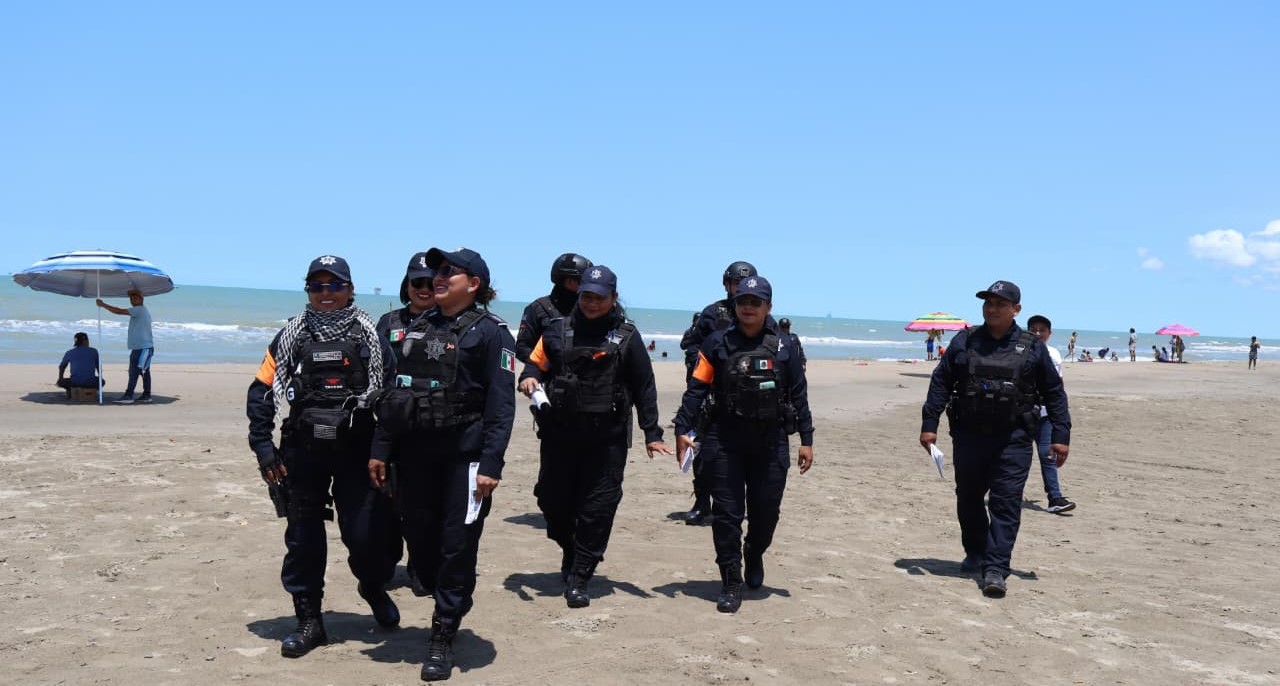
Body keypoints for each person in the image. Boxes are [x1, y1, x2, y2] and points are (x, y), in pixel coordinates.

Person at [368, 246, 515, 682]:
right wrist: (381, 447)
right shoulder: (416, 326)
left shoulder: (492, 333)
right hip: (415, 455)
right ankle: (443, 590)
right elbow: (395, 396)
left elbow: (502, 406)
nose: (438, 276)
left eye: (450, 271)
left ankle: (443, 633)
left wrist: (492, 463)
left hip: (466, 459)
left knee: (457, 545)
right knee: (421, 544)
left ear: (474, 284)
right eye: (437, 270)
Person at [246, 255, 401, 658]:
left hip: (358, 451)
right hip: (303, 451)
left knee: (368, 537)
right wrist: (264, 448)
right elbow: (261, 391)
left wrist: (385, 451)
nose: (326, 293)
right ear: (308, 292)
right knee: (303, 539)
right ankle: (309, 621)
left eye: (334, 285)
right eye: (317, 286)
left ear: (350, 289)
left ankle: (372, 585)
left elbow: (392, 398)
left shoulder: (371, 336)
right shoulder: (291, 335)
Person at [517, 265, 673, 608]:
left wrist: (652, 432)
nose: (591, 303)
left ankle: (580, 576)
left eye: (599, 298)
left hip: (608, 438)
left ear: (613, 299)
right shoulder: (557, 331)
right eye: (586, 296)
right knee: (551, 502)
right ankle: (570, 548)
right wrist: (528, 379)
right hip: (560, 435)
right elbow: (534, 364)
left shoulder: (627, 337)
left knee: (597, 508)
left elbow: (644, 386)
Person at [918, 280, 1070, 599]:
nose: (992, 308)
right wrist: (929, 424)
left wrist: (1060, 434)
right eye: (988, 302)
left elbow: (1054, 392)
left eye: (1000, 304)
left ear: (1016, 310)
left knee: (1005, 502)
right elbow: (941, 381)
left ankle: (996, 568)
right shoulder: (966, 340)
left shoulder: (1032, 346)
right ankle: (976, 552)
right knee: (969, 499)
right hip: (969, 436)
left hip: (1013, 438)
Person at [674, 275, 814, 614]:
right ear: (735, 305)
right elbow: (697, 389)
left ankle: (754, 552)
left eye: (755, 302)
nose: (748, 307)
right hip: (725, 440)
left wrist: (806, 440)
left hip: (770, 442)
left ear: (768, 306)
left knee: (766, 515)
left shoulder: (785, 347)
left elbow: (799, 393)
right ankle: (730, 581)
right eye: (743, 302)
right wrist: (682, 427)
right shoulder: (715, 344)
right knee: (726, 516)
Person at [374, 252, 439, 598]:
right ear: (407, 285)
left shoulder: (448, 322)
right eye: (418, 283)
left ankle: (419, 567)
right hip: (388, 425)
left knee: (421, 504)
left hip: (428, 427)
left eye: (431, 283)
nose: (424, 289)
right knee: (384, 501)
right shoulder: (388, 322)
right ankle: (386, 566)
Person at [678, 260, 760, 526]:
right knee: (702, 451)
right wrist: (705, 369)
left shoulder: (758, 313)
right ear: (727, 284)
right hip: (712, 394)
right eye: (735, 283)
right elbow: (690, 345)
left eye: (744, 283)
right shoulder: (713, 313)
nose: (739, 289)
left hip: (749, 396)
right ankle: (702, 503)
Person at [1024, 316, 1075, 514]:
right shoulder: (1020, 351)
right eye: (1033, 329)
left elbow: (1056, 386)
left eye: (1042, 330)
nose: (1037, 333)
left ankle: (1055, 497)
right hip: (1022, 414)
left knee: (1048, 455)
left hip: (1045, 415)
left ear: (1049, 334)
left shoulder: (1053, 353)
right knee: (1016, 456)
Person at [515, 253, 592, 363]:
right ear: (569, 281)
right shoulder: (538, 308)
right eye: (583, 281)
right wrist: (547, 366)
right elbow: (522, 348)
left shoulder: (591, 309)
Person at [96, 289, 154, 403]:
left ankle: (129, 396)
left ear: (141, 299)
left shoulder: (139, 310)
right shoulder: (140, 310)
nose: (132, 300)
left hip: (143, 348)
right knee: (142, 372)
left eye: (135, 298)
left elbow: (118, 311)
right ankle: (146, 395)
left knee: (136, 372)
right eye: (131, 298)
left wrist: (103, 305)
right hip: (140, 347)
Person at [56, 332, 101, 398]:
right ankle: (91, 391)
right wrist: (99, 378)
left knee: (60, 382)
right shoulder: (94, 351)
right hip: (90, 383)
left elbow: (61, 367)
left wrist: (60, 378)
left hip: (75, 382)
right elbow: (98, 367)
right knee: (102, 381)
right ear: (85, 341)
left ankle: (70, 390)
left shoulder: (70, 352)